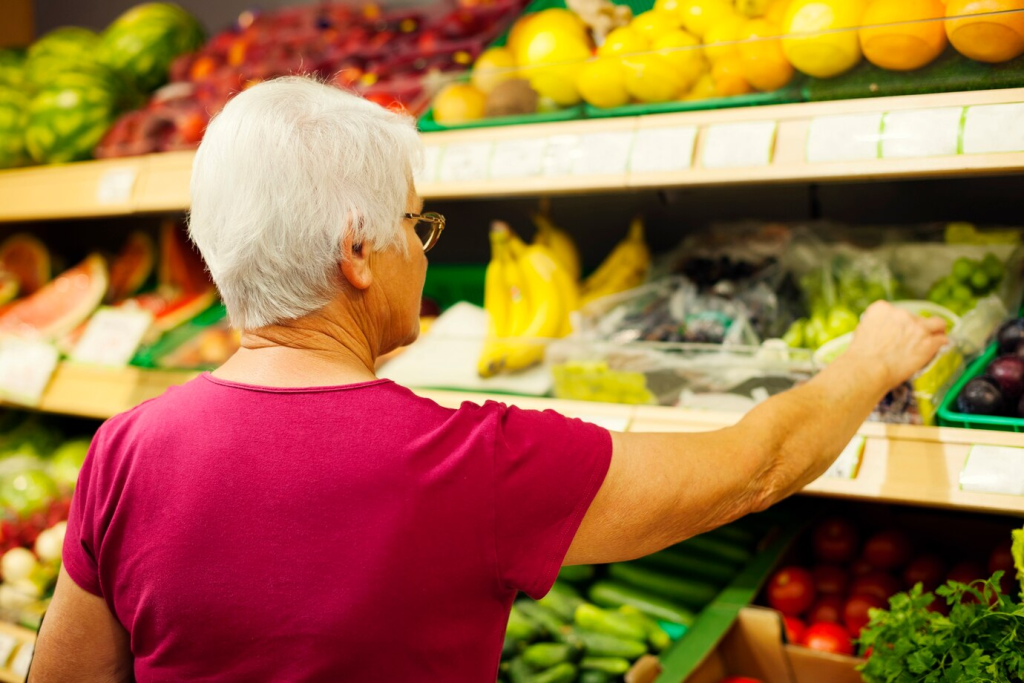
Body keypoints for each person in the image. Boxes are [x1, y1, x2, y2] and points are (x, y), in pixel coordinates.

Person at [30, 77, 947, 682]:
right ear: (358, 250)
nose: (423, 260)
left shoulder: (127, 450)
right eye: (417, 230)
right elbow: (754, 465)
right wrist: (870, 358)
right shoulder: (473, 463)